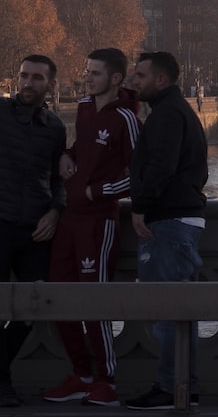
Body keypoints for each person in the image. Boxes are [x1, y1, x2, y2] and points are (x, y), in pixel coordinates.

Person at [43, 48, 139, 407]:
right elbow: (80, 149)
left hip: (100, 221)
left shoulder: (127, 119)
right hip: (69, 217)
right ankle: (81, 374)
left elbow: (139, 177)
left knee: (93, 301)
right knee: (58, 294)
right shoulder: (84, 107)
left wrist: (97, 191)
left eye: (95, 73)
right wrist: (67, 155)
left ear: (115, 79)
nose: (87, 78)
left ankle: (106, 381)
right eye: (86, 71)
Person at [122, 52, 206, 412]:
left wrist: (140, 205)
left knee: (168, 311)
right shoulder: (177, 110)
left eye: (140, 75)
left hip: (169, 222)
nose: (133, 81)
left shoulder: (167, 116)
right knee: (180, 311)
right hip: (182, 219)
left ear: (160, 80)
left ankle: (170, 387)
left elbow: (161, 166)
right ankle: (184, 385)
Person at [1, 55, 67, 409]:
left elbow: (58, 180)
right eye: (24, 75)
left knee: (32, 310)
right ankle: (3, 385)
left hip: (36, 231)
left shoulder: (55, 127)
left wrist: (56, 211)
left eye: (37, 78)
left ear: (50, 85)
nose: (28, 83)